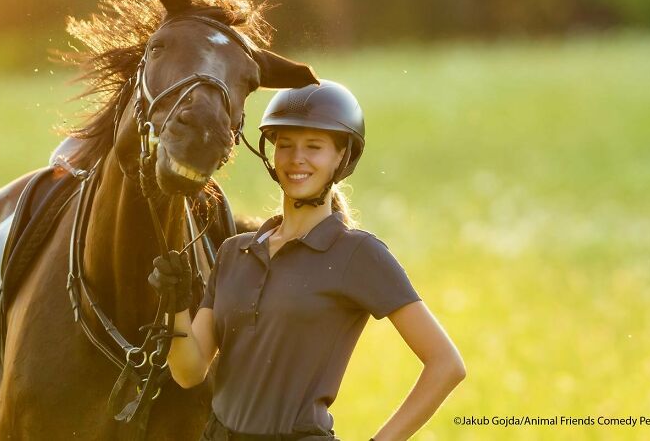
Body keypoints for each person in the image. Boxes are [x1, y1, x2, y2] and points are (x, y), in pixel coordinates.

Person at [149, 80, 466, 441]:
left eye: (313, 147)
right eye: (285, 146)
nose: (296, 158)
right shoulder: (234, 253)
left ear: (341, 157)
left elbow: (446, 365)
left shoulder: (358, 254)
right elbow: (189, 373)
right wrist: (174, 307)